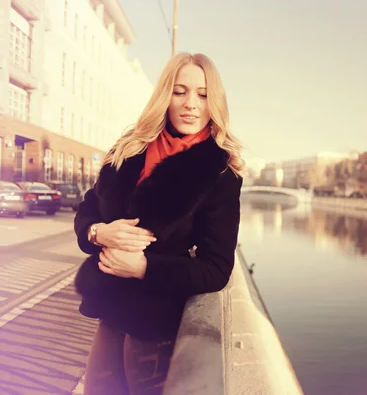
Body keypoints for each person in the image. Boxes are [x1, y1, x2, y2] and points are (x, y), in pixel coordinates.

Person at [73, 52, 244, 394]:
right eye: (180, 92)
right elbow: (87, 211)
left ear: (215, 102)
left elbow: (217, 269)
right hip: (110, 312)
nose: (190, 104)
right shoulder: (129, 149)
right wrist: (98, 232)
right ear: (165, 96)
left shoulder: (219, 173)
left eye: (203, 94)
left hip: (156, 326)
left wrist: (143, 267)